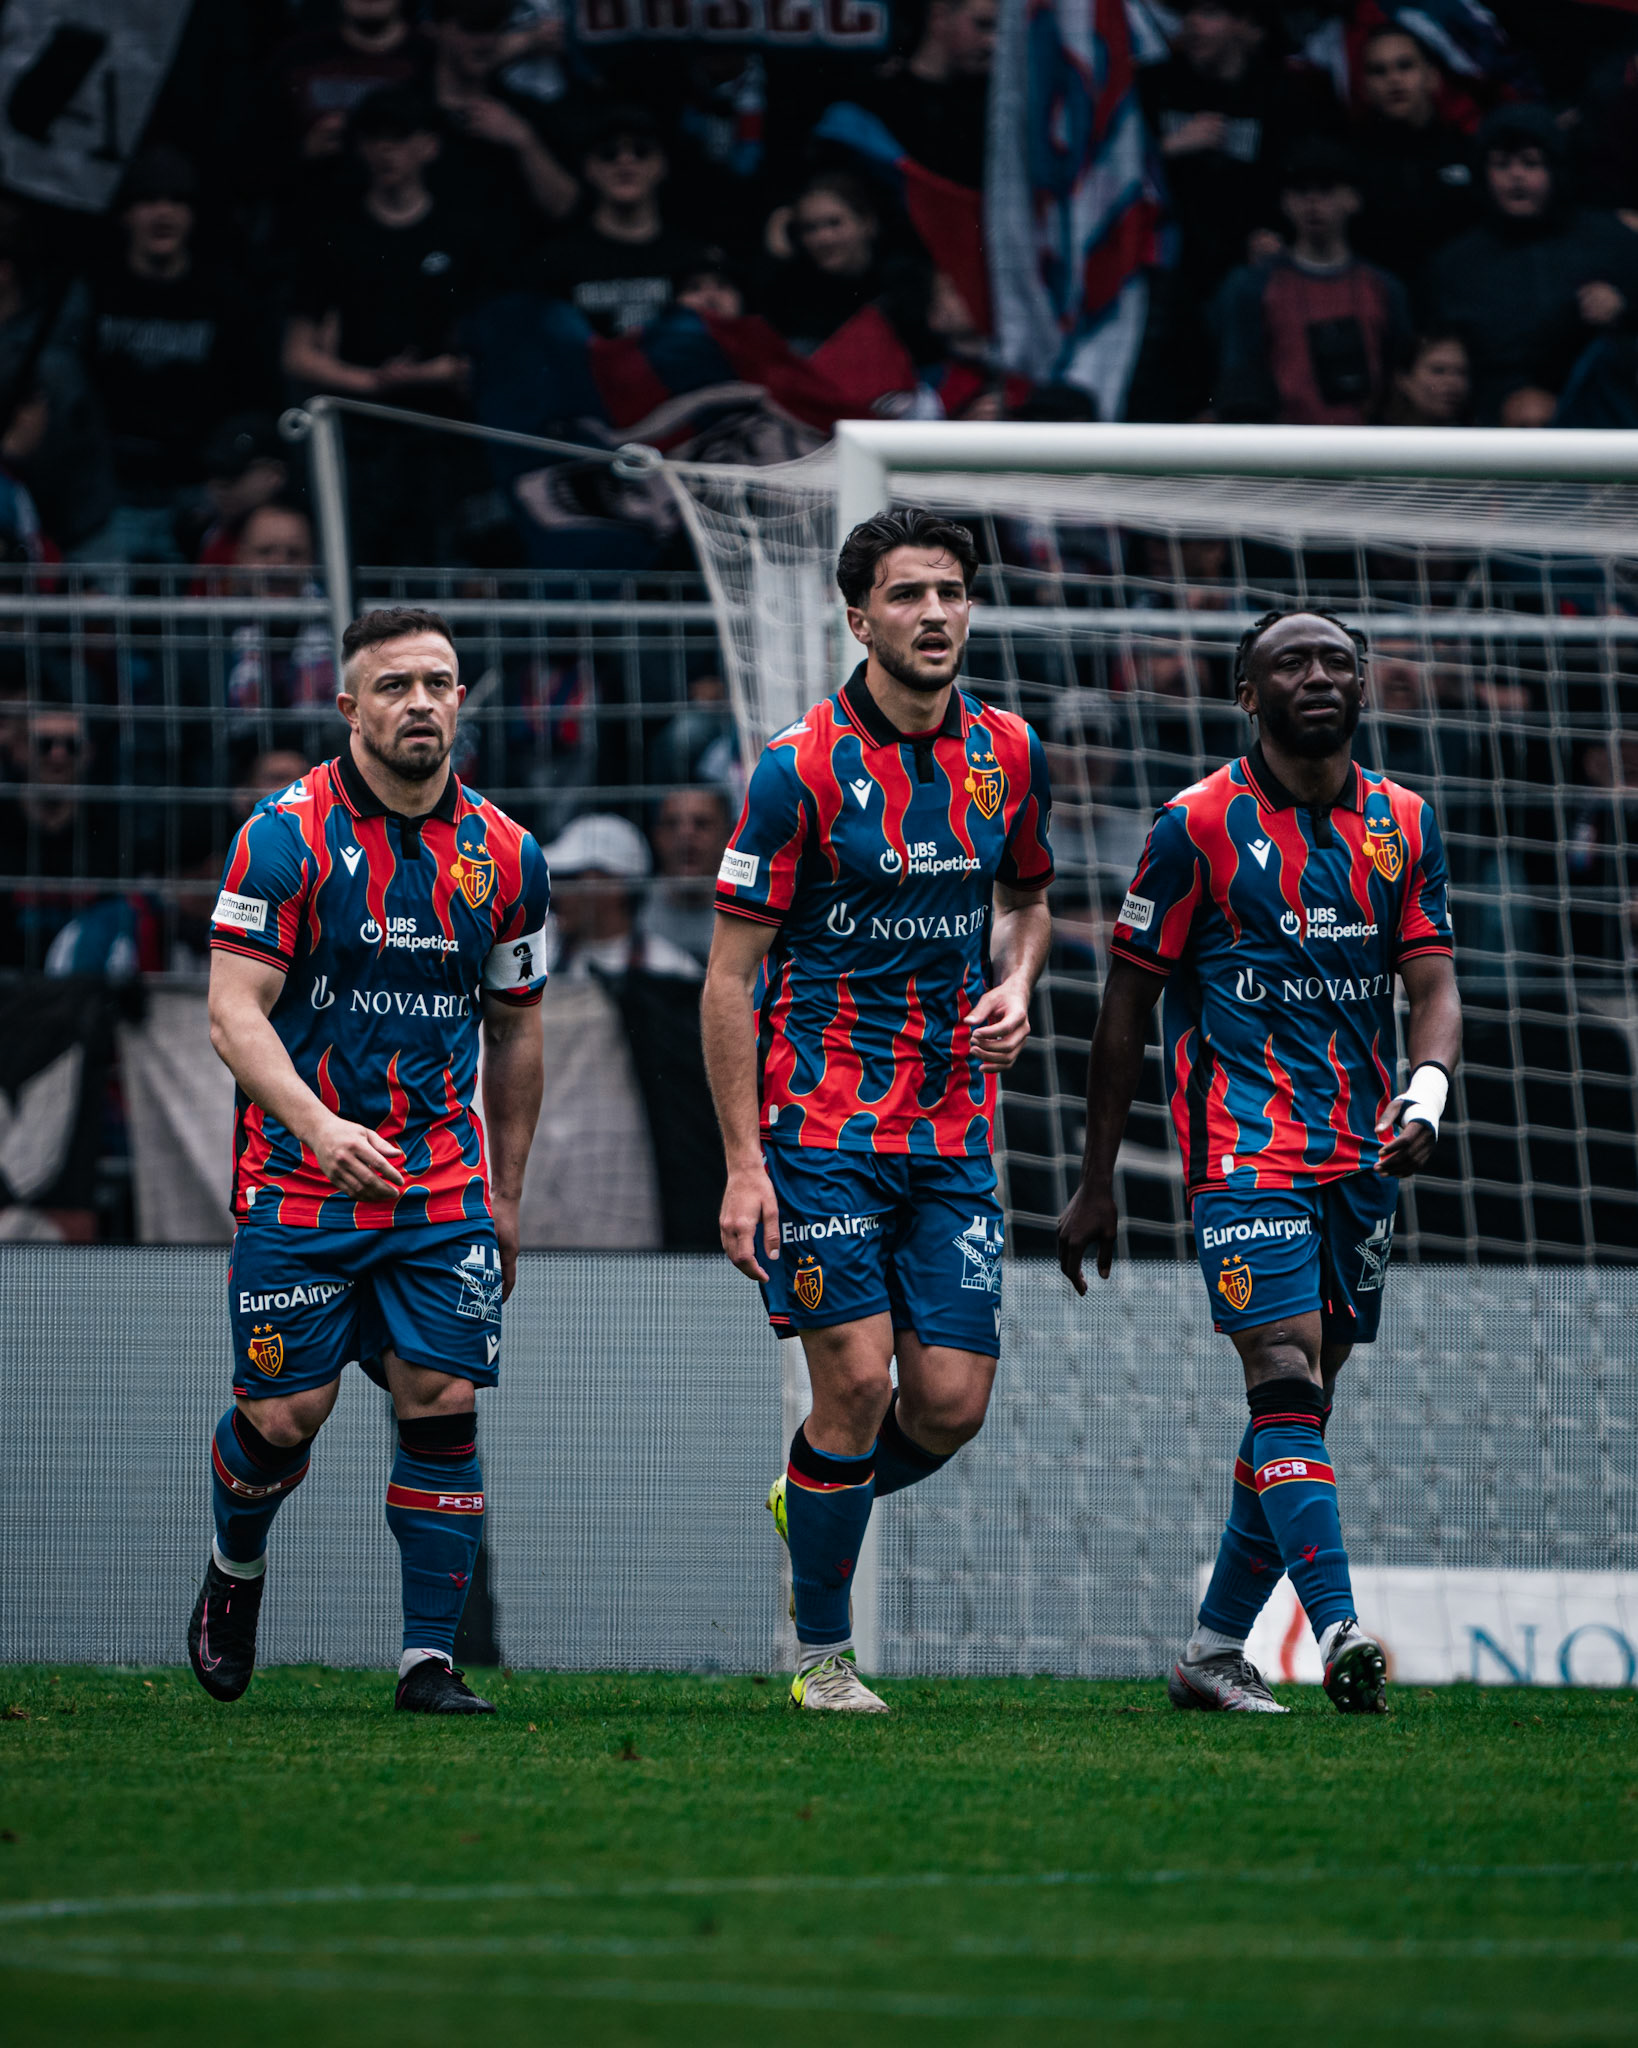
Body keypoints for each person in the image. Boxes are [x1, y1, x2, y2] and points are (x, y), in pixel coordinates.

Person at [1057, 608, 1461, 1716]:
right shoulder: (1193, 826)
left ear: (1364, 686)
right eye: (1292, 661)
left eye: (1338, 660)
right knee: (1281, 1368)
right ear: (1248, 693)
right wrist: (1096, 1178)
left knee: (1303, 1403)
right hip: (1242, 1154)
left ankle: (1212, 1649)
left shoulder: (1406, 821)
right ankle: (1338, 1629)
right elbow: (1125, 1008)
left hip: (1361, 1153)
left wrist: (1425, 1090)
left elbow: (1431, 983)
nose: (1320, 675)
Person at [702, 508, 1053, 1712]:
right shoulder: (796, 767)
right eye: (909, 595)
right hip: (821, 1132)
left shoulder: (1009, 749)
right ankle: (822, 1658)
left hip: (953, 1132)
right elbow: (729, 978)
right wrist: (746, 1165)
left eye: (952, 591)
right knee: (851, 1384)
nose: (937, 614)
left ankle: (814, 1495)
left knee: (949, 1404)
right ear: (860, 619)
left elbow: (1028, 901)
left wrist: (1016, 979)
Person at [188, 606, 551, 1715]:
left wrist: (506, 1192)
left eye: (439, 683)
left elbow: (520, 1023)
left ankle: (427, 1660)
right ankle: (236, 1573)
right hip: (303, 1175)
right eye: (394, 686)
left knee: (439, 1396)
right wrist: (320, 1128)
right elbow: (231, 1013)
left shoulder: (505, 852)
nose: (421, 704)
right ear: (350, 708)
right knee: (285, 1416)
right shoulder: (285, 835)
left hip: (438, 1183)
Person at [283, 89, 496, 564]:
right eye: (374, 138)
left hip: (445, 438)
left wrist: (435, 372)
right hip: (360, 442)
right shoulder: (336, 234)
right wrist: (371, 381)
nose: (385, 151)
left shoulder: (463, 231)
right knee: (362, 572)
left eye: (398, 138)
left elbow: (489, 349)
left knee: (440, 574)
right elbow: (297, 353)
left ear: (429, 146)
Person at [81, 147, 269, 564]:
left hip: (195, 492)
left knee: (196, 619)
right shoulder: (92, 292)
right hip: (107, 492)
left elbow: (253, 393)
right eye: (148, 200)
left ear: (193, 215)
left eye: (177, 201)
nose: (163, 213)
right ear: (125, 214)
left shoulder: (225, 298)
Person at [1425, 102, 1638, 424]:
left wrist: (1623, 308)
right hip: (1491, 427)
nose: (1516, 176)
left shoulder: (1612, 241)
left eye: (1530, 163)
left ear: (1555, 170)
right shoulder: (1455, 265)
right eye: (1502, 164)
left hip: (1606, 414)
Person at [1214, 140, 1411, 425]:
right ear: (1285, 202)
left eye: (1326, 190)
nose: (1312, 203)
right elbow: (1240, 376)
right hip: (1283, 449)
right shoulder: (1253, 285)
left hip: (1368, 448)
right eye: (1301, 191)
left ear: (1353, 199)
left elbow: (1399, 374)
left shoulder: (1383, 287)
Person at [538, 108, 709, 339]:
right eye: (609, 153)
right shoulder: (557, 260)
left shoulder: (694, 256)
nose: (625, 160)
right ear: (589, 168)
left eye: (641, 151)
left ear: (662, 165)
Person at [1347, 25, 1479, 284]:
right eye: (1379, 71)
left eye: (1405, 66)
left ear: (1432, 77)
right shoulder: (1349, 163)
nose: (1393, 79)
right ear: (1364, 87)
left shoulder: (1468, 153)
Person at [541, 808, 701, 980]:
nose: (557, 892)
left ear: (615, 887)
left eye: (572, 879)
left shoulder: (671, 970)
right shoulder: (540, 959)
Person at [639, 785, 733, 969]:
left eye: (701, 823)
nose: (686, 835)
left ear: (729, 835)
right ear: (657, 836)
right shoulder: (632, 907)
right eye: (672, 824)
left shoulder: (752, 911)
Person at [1380, 330, 1470, 425]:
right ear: (1403, 379)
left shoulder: (1476, 436)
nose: (1452, 382)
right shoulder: (1372, 435)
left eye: (1462, 372)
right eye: (1438, 371)